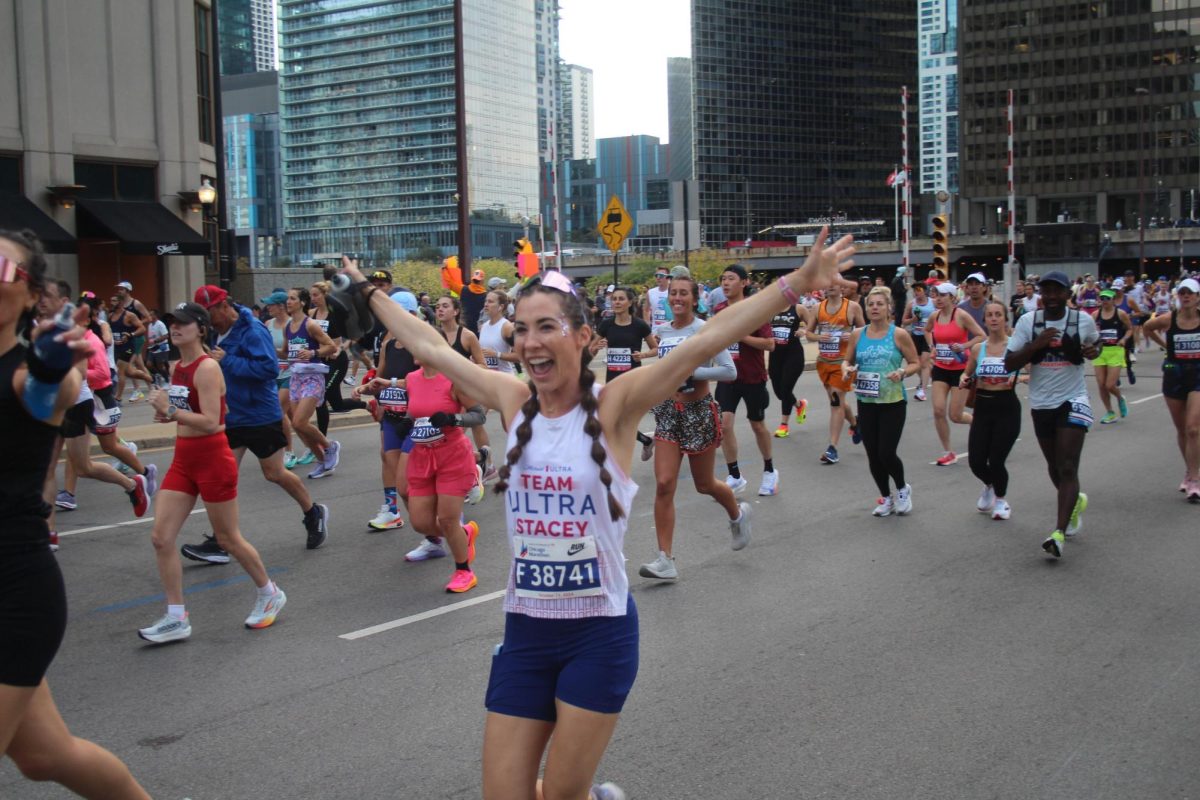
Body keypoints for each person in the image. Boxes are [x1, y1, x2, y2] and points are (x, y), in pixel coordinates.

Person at [337, 229, 856, 800]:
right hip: (526, 632)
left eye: (548, 327)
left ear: (583, 337)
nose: (531, 342)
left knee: (560, 794)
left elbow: (702, 343)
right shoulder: (512, 402)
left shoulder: (614, 407)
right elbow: (430, 346)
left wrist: (795, 286)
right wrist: (367, 290)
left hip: (598, 635)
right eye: (523, 329)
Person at [2, 232, 155, 798]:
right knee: (46, 756)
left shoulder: (26, 370)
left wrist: (51, 367)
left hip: (11, 589)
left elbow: (52, 393)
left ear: (29, 292)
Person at [139, 302, 287, 642]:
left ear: (201, 329)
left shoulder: (206, 368)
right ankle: (176, 617)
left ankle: (269, 592)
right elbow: (194, 410)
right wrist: (167, 413)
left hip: (212, 459)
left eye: (183, 323)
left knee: (227, 539)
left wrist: (172, 411)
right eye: (172, 323)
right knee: (161, 537)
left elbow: (214, 422)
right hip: (183, 459)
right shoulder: (179, 366)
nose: (175, 328)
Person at [178, 286, 330, 565]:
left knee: (274, 474)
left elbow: (269, 369)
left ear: (224, 306)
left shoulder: (252, 330)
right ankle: (220, 541)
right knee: (222, 478)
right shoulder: (213, 332)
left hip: (261, 416)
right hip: (232, 417)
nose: (207, 321)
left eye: (209, 313)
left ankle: (313, 512)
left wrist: (229, 361)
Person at [639, 274, 747, 581]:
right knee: (663, 483)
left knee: (705, 485)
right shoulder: (661, 331)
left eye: (683, 293)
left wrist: (690, 370)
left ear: (694, 297)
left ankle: (737, 516)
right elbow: (663, 371)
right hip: (669, 413)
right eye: (673, 293)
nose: (677, 298)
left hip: (698, 412)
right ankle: (665, 559)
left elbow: (729, 370)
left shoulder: (704, 329)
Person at [1004, 271, 1100, 558]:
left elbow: (1096, 345)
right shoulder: (1028, 322)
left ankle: (1058, 533)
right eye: (1046, 291)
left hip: (1073, 398)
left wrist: (1091, 350)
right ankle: (1073, 501)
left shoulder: (1081, 320)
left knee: (1068, 465)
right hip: (1041, 402)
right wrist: (1037, 344)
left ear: (1068, 294)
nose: (1052, 297)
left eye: (1057, 291)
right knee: (1054, 466)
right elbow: (1009, 363)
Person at [55, 296, 156, 513]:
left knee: (105, 449)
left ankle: (141, 477)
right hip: (70, 402)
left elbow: (100, 373)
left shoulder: (90, 340)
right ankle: (68, 495)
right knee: (70, 459)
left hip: (97, 398)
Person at [844, 287, 918, 516]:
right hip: (866, 402)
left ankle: (902, 489)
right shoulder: (858, 334)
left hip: (892, 401)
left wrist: (902, 372)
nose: (874, 308)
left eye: (879, 304)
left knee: (886, 452)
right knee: (873, 453)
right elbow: (846, 361)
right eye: (871, 304)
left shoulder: (898, 334)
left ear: (888, 309)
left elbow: (916, 363)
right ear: (866, 309)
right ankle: (886, 497)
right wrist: (847, 369)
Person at [713, 264, 780, 496]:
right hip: (727, 376)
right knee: (724, 424)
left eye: (730, 278)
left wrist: (742, 336)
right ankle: (734, 475)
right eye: (723, 279)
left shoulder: (755, 310)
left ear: (744, 283)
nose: (725, 283)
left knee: (757, 425)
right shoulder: (719, 309)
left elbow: (770, 344)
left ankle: (770, 471)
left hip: (752, 376)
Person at [961, 301, 1022, 520]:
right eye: (990, 315)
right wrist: (964, 379)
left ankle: (1001, 500)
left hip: (1006, 406)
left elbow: (1031, 373)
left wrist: (1016, 377)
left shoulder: (1015, 346)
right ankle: (989, 484)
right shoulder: (979, 348)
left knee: (996, 459)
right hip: (983, 406)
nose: (994, 319)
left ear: (1006, 319)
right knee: (976, 461)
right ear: (984, 320)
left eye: (998, 314)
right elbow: (966, 373)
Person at [1143, 277, 1200, 499]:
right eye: (1182, 292)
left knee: (1194, 428)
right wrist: (1166, 345)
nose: (1186, 296)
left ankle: (1195, 478)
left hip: (1197, 375)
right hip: (1174, 375)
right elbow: (1147, 327)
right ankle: (1189, 470)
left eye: (1190, 293)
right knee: (1182, 429)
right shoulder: (1169, 319)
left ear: (1197, 297)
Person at [590, 287, 659, 460]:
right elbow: (590, 350)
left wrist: (642, 355)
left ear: (630, 302)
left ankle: (616, 459)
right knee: (615, 421)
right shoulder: (606, 325)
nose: (617, 302)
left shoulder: (639, 325)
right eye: (614, 299)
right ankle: (645, 441)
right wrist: (596, 348)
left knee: (619, 421)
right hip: (612, 379)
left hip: (633, 380)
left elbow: (655, 349)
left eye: (621, 299)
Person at [283, 287, 340, 479]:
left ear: (302, 303)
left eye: (292, 298)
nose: (288, 302)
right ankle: (322, 461)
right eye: (287, 299)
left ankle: (330, 446)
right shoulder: (288, 327)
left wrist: (313, 353)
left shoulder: (310, 325)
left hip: (312, 377)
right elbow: (285, 352)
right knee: (297, 426)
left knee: (300, 421)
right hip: (295, 377)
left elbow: (331, 346)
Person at [806, 282, 864, 464]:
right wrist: (818, 337)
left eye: (834, 284)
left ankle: (832, 448)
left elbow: (865, 331)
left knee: (836, 402)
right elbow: (808, 333)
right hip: (824, 362)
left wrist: (853, 334)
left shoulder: (852, 307)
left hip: (843, 362)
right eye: (827, 284)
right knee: (836, 399)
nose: (830, 287)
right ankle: (855, 424)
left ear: (842, 288)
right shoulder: (817, 308)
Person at [927, 282, 985, 466]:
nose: (938, 299)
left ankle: (977, 422)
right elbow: (927, 331)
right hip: (940, 368)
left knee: (956, 415)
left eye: (943, 295)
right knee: (937, 410)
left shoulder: (961, 315)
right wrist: (932, 347)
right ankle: (948, 451)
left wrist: (964, 346)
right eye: (936, 295)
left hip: (961, 369)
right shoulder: (934, 316)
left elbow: (981, 335)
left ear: (952, 297)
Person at [308, 280, 367, 436]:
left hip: (336, 362)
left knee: (321, 397)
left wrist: (341, 347)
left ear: (325, 295)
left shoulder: (336, 314)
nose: (313, 298)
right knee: (337, 404)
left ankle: (322, 443)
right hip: (320, 361)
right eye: (311, 295)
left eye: (316, 295)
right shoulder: (311, 314)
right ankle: (366, 406)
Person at [766, 277, 808, 438]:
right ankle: (799, 404)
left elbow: (812, 324)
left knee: (786, 388)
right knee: (779, 392)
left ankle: (784, 425)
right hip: (776, 355)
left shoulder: (799, 308)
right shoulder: (771, 310)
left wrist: (804, 331)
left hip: (794, 354)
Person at [1092, 288, 1132, 424]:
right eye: (1102, 298)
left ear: (1114, 300)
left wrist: (1124, 339)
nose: (1104, 301)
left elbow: (1130, 329)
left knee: (1109, 385)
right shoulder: (1095, 315)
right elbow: (1091, 332)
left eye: (1107, 298)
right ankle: (1110, 412)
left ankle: (1120, 398)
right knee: (1101, 384)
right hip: (1100, 351)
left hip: (1115, 350)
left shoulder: (1121, 314)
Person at [107, 293, 153, 402]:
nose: (112, 303)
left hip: (128, 347)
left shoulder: (129, 315)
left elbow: (142, 328)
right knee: (130, 372)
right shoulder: (110, 316)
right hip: (116, 348)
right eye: (111, 301)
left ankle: (117, 397)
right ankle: (149, 378)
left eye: (114, 301)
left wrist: (130, 335)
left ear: (121, 302)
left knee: (120, 371)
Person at [901, 280, 935, 401]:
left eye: (919, 290)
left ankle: (922, 391)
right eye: (915, 290)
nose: (916, 293)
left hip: (929, 335)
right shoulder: (911, 304)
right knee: (917, 363)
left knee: (925, 362)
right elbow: (904, 321)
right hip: (916, 335)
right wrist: (913, 319)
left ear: (925, 291)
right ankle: (924, 380)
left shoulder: (933, 303)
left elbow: (941, 315)